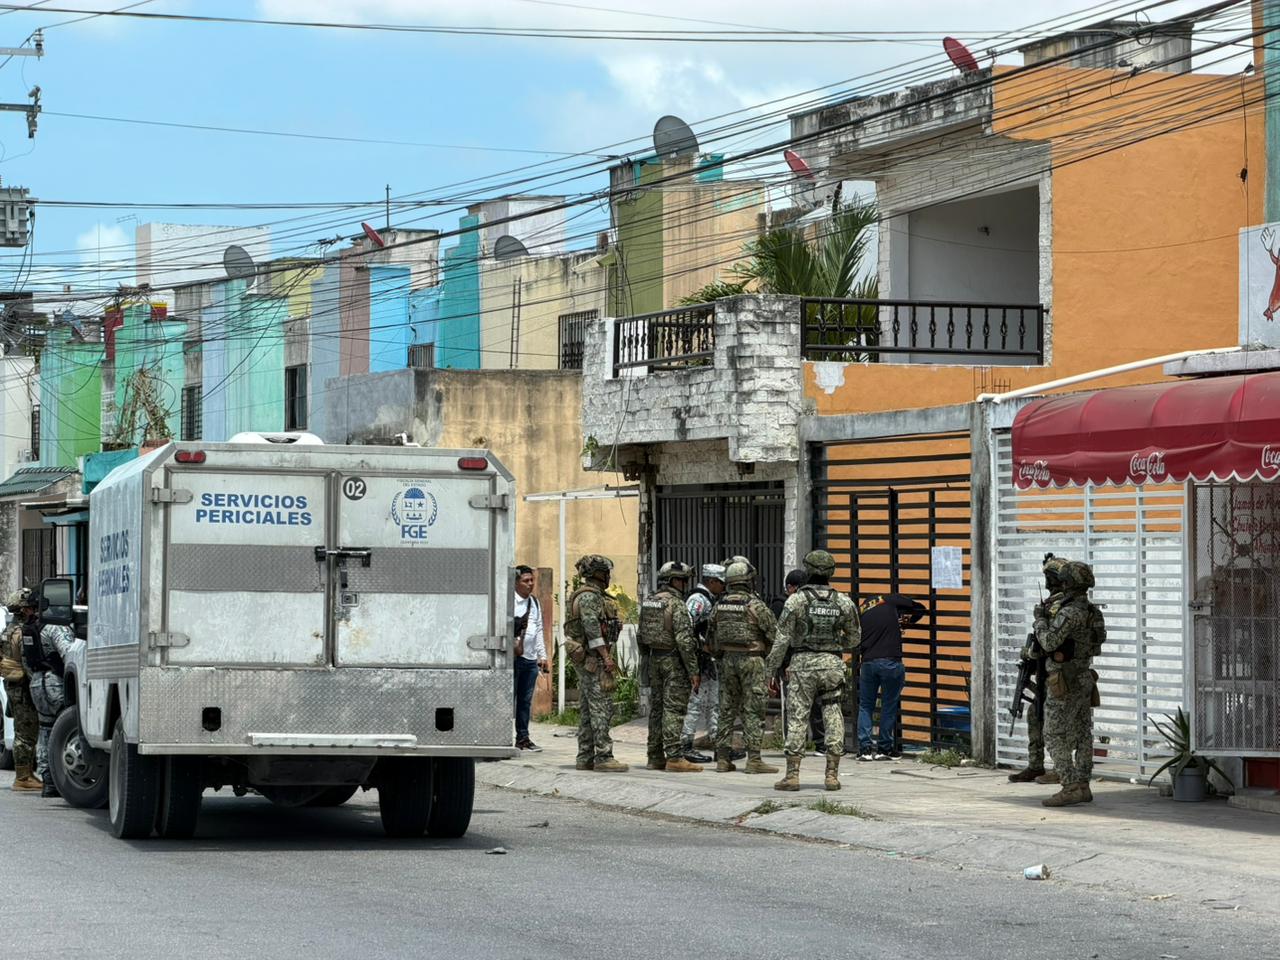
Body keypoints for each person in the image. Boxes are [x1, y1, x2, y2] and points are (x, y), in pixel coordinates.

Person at [767, 550, 859, 792]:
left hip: (802, 665)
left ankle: (792, 775)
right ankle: (832, 775)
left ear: (807, 570)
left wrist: (771, 670)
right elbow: (854, 638)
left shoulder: (796, 600)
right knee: (833, 713)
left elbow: (782, 639)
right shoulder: (844, 602)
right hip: (832, 665)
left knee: (798, 717)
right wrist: (835, 644)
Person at [1034, 558, 1106, 808]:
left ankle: (1070, 786)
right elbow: (1098, 642)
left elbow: (1049, 642)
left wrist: (1039, 621)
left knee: (1053, 734)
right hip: (1084, 676)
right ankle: (1083, 785)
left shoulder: (1068, 612)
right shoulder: (1092, 612)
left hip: (1064, 680)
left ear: (1067, 583)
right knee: (1083, 733)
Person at [707, 560, 778, 775]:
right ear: (748, 581)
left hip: (727, 660)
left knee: (726, 709)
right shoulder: (756, 606)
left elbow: (711, 637)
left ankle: (722, 759)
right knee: (753, 709)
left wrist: (721, 655)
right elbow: (774, 635)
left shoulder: (719, 606)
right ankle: (754, 760)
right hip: (752, 660)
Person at [563, 555, 627, 773]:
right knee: (601, 708)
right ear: (599, 574)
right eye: (606, 573)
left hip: (588, 658)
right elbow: (592, 630)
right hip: (594, 659)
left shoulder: (585, 595)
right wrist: (606, 657)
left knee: (587, 710)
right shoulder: (589, 597)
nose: (609, 577)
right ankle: (603, 756)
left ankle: (585, 756)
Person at [638, 561, 701, 773]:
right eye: (683, 580)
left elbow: (641, 635)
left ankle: (654, 756)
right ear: (674, 580)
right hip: (674, 662)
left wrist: (646, 659)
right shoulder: (677, 604)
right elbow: (684, 641)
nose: (685, 585)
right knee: (674, 709)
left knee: (657, 709)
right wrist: (693, 670)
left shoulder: (649, 602)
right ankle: (674, 757)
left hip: (654, 660)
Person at [1008, 555, 1061, 785]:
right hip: (1044, 671)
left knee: (1055, 723)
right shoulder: (1050, 604)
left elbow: (1050, 642)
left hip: (1057, 673)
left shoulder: (1061, 607)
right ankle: (1035, 764)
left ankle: (1060, 768)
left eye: (1050, 578)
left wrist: (1031, 652)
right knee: (1034, 715)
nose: (1047, 583)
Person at [855, 593, 926, 761]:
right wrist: (908, 621)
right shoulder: (889, 599)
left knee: (865, 706)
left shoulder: (860, 610)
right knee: (888, 706)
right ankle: (884, 749)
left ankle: (865, 750)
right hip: (890, 662)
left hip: (868, 663)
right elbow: (920, 608)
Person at [22, 588, 76, 798]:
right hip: (55, 682)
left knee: (45, 730)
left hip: (37, 683)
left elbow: (26, 661)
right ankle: (63, 776)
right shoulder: (54, 626)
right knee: (65, 730)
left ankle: (48, 780)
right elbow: (69, 653)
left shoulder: (28, 629)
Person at [773, 569, 825, 756]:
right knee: (794, 704)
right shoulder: (781, 605)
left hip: (810, 661)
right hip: (791, 663)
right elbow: (781, 638)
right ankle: (794, 744)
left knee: (817, 703)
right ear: (790, 588)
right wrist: (783, 664)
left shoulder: (808, 602)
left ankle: (820, 742)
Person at [681, 564, 724, 762]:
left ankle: (718, 744)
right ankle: (686, 745)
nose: (723, 587)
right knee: (695, 704)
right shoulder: (698, 599)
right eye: (721, 583)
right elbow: (687, 629)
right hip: (698, 660)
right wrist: (698, 653)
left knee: (714, 703)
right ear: (712, 581)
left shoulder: (710, 599)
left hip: (708, 661)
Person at [1, 589, 41, 792]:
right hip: (22, 687)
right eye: (32, 607)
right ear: (24, 609)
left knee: (24, 730)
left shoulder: (8, 630)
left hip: (13, 685)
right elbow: (27, 662)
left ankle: (27, 774)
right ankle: (23, 777)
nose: (34, 611)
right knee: (25, 732)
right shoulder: (21, 632)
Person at [513, 565, 548, 752]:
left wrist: (542, 655)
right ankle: (501, 738)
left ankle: (523, 738)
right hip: (512, 660)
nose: (530, 584)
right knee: (507, 700)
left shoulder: (534, 602)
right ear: (516, 583)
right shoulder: (509, 601)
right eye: (525, 581)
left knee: (525, 701)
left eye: (532, 580)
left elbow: (539, 629)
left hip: (530, 659)